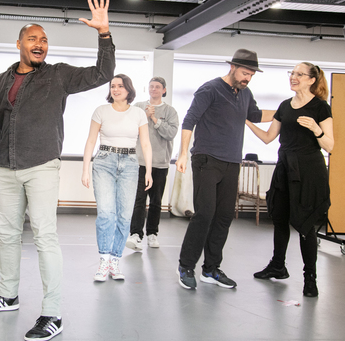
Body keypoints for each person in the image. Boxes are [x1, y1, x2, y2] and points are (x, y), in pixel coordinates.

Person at [0, 0, 114, 341]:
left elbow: (102, 73)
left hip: (42, 166)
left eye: (44, 39)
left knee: (45, 238)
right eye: (33, 38)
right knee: (9, 235)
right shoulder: (1, 81)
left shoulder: (59, 75)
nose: (40, 44)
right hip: (5, 166)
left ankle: (53, 313)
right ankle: (9, 295)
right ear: (18, 44)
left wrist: (103, 34)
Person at [175, 48, 275, 290]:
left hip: (232, 162)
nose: (247, 78)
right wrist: (182, 154)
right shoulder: (210, 89)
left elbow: (256, 115)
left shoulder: (246, 93)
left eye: (251, 75)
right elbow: (190, 120)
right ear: (232, 67)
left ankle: (210, 269)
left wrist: (289, 110)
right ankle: (186, 266)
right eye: (244, 73)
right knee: (205, 214)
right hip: (206, 159)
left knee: (224, 217)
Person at [246, 63, 333, 297]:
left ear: (311, 80)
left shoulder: (320, 107)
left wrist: (316, 129)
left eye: (299, 74)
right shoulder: (285, 106)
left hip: (309, 170)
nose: (293, 77)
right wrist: (245, 121)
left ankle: (310, 278)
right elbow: (267, 138)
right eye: (291, 73)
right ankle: (278, 266)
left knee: (305, 224)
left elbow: (330, 145)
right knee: (280, 217)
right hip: (285, 166)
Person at [81, 74, 153, 282]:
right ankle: (104, 260)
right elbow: (91, 140)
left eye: (120, 86)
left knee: (124, 216)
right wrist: (85, 169)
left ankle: (115, 260)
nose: (116, 89)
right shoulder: (101, 111)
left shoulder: (139, 113)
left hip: (130, 163)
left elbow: (146, 144)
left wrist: (148, 171)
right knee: (105, 213)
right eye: (113, 86)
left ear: (129, 90)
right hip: (104, 160)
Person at [125, 77, 179, 251]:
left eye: (157, 87)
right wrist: (143, 117)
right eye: (151, 87)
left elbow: (171, 133)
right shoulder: (138, 107)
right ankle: (135, 235)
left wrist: (155, 119)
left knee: (156, 201)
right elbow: (128, 127)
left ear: (164, 90)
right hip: (139, 162)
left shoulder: (170, 111)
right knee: (138, 199)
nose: (154, 89)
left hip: (160, 164)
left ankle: (152, 234)